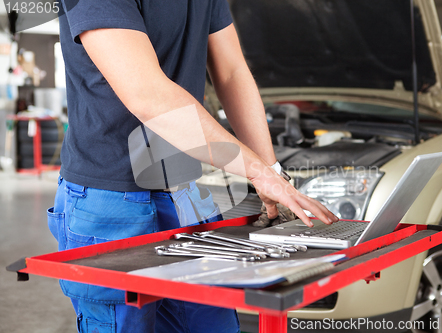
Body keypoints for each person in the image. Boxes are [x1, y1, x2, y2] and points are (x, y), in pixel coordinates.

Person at [47, 0, 338, 332]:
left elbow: (231, 72)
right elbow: (148, 94)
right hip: (109, 198)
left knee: (214, 322)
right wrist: (255, 170)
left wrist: (271, 171)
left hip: (183, 190)